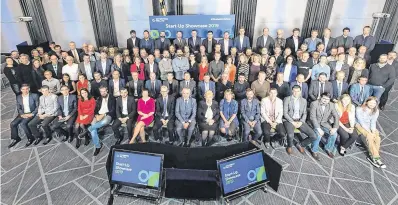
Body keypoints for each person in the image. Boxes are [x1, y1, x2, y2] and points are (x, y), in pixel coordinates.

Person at [283, 85, 317, 155]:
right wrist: (292, 122)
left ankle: (300, 144)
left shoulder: (304, 100)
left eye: (298, 91)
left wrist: (301, 121)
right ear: (292, 91)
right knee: (290, 135)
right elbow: (285, 113)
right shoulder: (287, 99)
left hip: (300, 120)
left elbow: (305, 113)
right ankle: (289, 146)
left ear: (300, 91)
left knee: (314, 136)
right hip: (289, 120)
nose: (296, 93)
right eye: (294, 91)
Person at [355, 96, 385, 168]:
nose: (372, 104)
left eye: (374, 103)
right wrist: (369, 131)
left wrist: (373, 130)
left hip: (369, 126)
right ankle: (377, 158)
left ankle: (373, 157)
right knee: (370, 136)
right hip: (359, 125)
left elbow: (373, 122)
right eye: (371, 102)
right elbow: (361, 122)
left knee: (377, 138)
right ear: (367, 102)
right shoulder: (359, 109)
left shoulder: (376, 111)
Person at [309, 92, 339, 159]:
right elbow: (312, 118)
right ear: (320, 97)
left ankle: (328, 148)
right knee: (318, 135)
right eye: (324, 98)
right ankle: (314, 150)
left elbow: (336, 116)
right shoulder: (314, 104)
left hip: (324, 123)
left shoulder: (331, 105)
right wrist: (318, 129)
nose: (325, 100)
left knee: (334, 134)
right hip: (314, 123)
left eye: (327, 99)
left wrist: (335, 128)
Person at [89, 86, 115, 156]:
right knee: (93, 127)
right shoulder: (99, 98)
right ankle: (98, 146)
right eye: (101, 92)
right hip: (99, 115)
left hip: (107, 115)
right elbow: (96, 109)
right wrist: (97, 115)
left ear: (107, 91)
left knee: (104, 122)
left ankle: (90, 128)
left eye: (104, 91)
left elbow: (113, 110)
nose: (103, 93)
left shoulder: (112, 98)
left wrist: (104, 114)